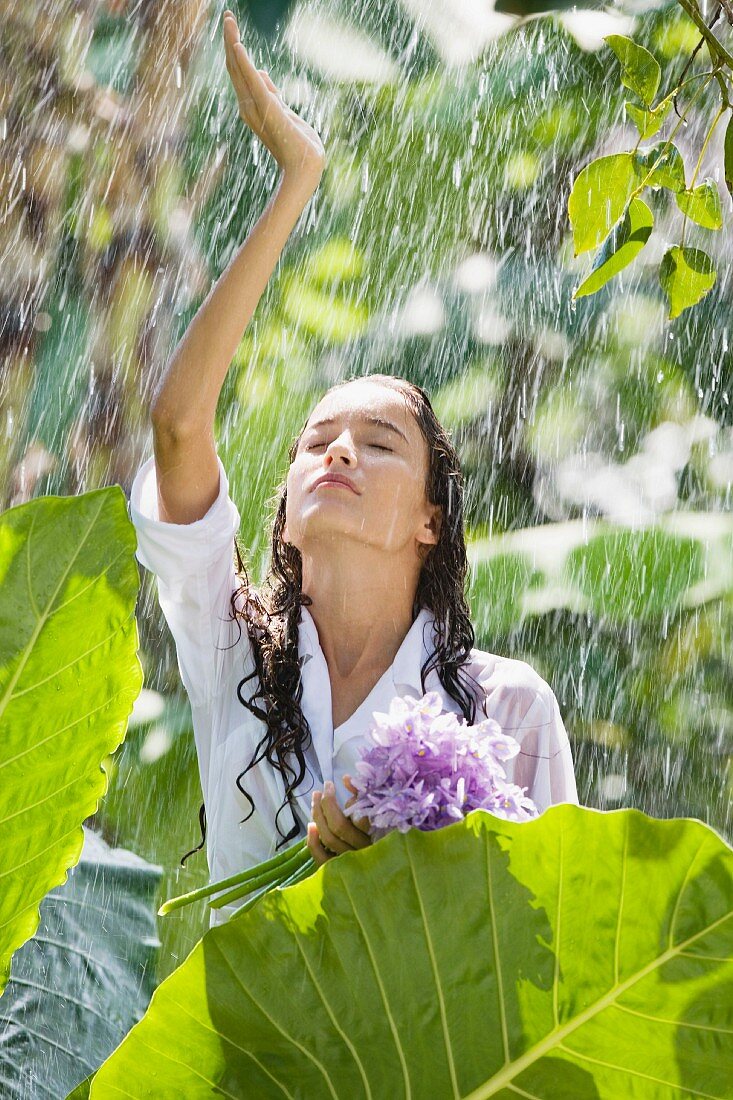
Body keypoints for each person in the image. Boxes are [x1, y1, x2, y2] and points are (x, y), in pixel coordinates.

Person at [129, 11, 579, 927]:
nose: (337, 450)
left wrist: (399, 870)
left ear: (430, 519)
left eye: (379, 443)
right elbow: (179, 426)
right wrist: (297, 182)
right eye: (314, 442)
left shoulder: (507, 707)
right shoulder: (230, 654)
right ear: (286, 512)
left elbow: (549, 937)